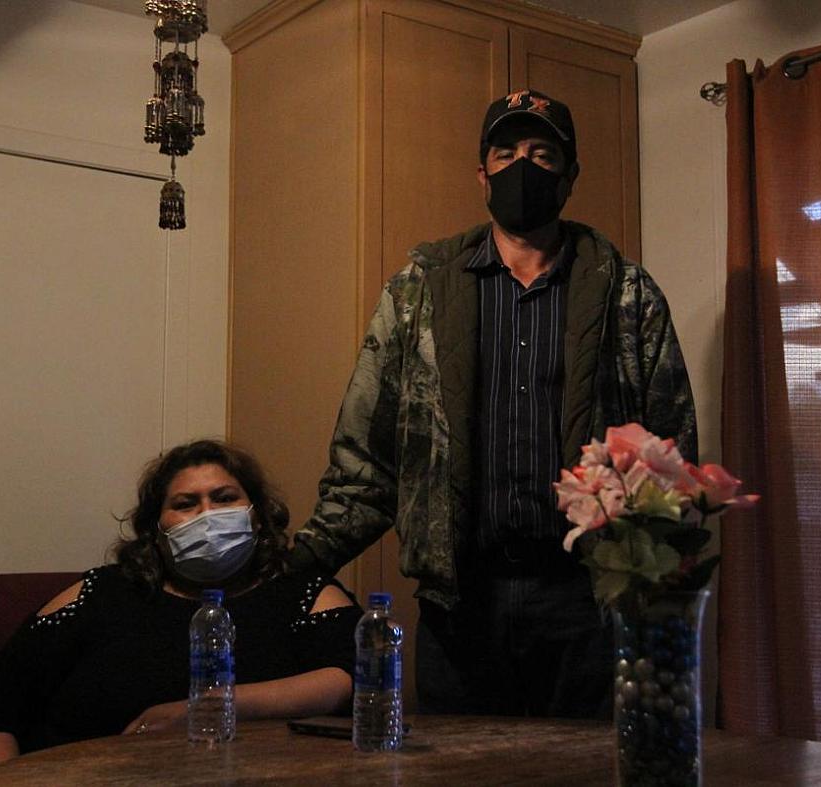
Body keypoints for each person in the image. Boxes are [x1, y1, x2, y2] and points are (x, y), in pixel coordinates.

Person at [288, 90, 696, 717]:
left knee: (582, 772)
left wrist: (657, 588)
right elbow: (367, 461)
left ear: (569, 174)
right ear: (482, 173)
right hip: (461, 604)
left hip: (584, 601)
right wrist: (292, 568)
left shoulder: (627, 294)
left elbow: (670, 453)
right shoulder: (416, 293)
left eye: (541, 154)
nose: (521, 167)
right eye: (504, 154)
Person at [0, 439, 361, 776]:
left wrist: (211, 707)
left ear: (256, 516)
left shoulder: (298, 591)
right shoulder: (103, 593)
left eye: (224, 498)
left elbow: (357, 675)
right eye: (185, 504)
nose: (207, 515)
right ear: (156, 529)